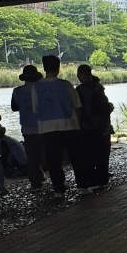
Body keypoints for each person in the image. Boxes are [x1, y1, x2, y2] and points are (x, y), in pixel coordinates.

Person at [33, 54, 84, 192]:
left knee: (53, 160)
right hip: (69, 125)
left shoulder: (36, 87)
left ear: (44, 68)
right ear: (58, 68)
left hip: (47, 127)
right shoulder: (66, 84)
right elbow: (77, 105)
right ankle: (82, 185)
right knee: (76, 157)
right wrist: (78, 123)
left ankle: (59, 188)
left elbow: (35, 108)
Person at [76, 64, 114, 189]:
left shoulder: (80, 90)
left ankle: (92, 180)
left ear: (81, 75)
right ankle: (103, 179)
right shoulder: (99, 88)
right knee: (100, 154)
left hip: (87, 126)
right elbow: (106, 106)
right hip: (101, 125)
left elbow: (80, 109)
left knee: (88, 155)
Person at [9, 65, 46, 190]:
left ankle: (35, 183)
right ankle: (55, 180)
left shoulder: (17, 91)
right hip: (43, 125)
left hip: (27, 127)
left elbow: (14, 107)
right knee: (47, 153)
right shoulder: (41, 90)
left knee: (31, 156)